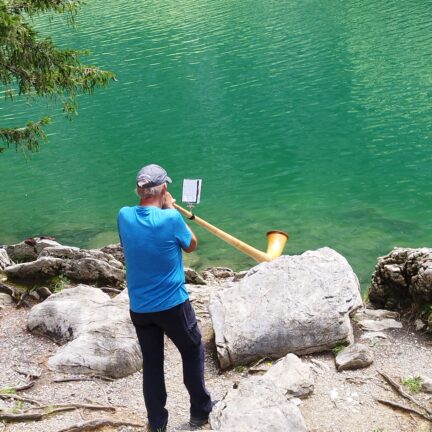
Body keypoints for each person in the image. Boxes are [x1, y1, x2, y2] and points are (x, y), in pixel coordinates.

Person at [117, 164, 213, 432]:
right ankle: (200, 412)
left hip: (140, 308)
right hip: (172, 305)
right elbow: (192, 244)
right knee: (192, 350)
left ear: (138, 190)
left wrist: (161, 206)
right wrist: (170, 207)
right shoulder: (171, 219)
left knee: (153, 363)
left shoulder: (124, 215)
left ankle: (157, 423)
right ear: (165, 189)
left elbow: (129, 243)